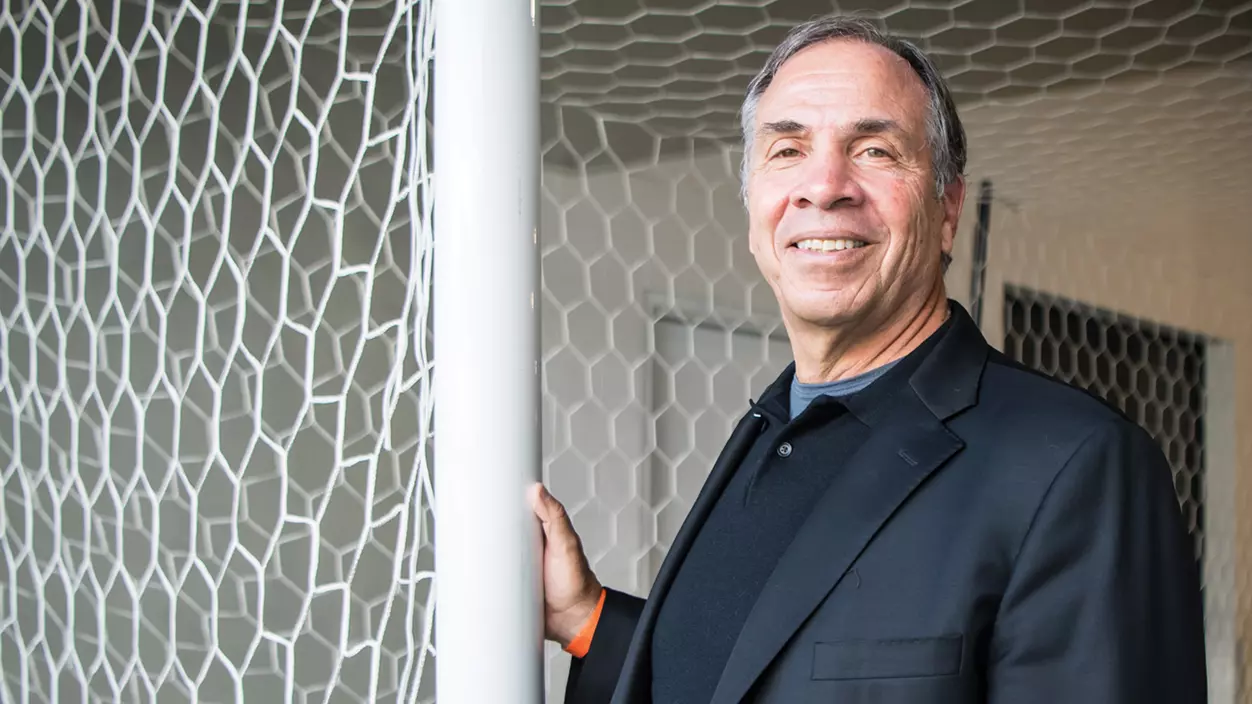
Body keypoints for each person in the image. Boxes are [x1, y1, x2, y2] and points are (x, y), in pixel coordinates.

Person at [530, 14, 1207, 704]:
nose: (823, 186)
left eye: (875, 150)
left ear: (947, 209)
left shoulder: (1076, 464)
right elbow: (737, 677)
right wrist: (588, 622)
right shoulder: (770, 432)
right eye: (787, 150)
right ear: (753, 206)